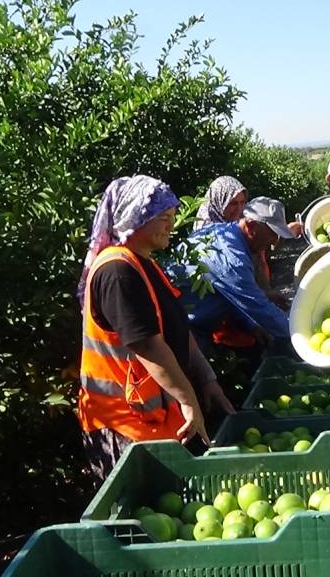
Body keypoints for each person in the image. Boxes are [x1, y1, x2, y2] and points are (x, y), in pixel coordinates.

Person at [76, 175, 234, 481]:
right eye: (163, 218)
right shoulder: (117, 271)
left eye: (172, 217)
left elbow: (176, 330)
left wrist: (207, 379)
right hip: (122, 425)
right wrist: (188, 400)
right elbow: (147, 345)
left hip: (150, 418)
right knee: (143, 516)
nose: (170, 225)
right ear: (136, 217)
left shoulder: (143, 263)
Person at [171, 196, 297, 353]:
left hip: (194, 327)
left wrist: (251, 322)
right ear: (251, 226)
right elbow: (261, 308)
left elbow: (228, 292)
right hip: (182, 332)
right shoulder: (231, 259)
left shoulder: (223, 232)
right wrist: (300, 336)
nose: (273, 241)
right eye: (272, 233)